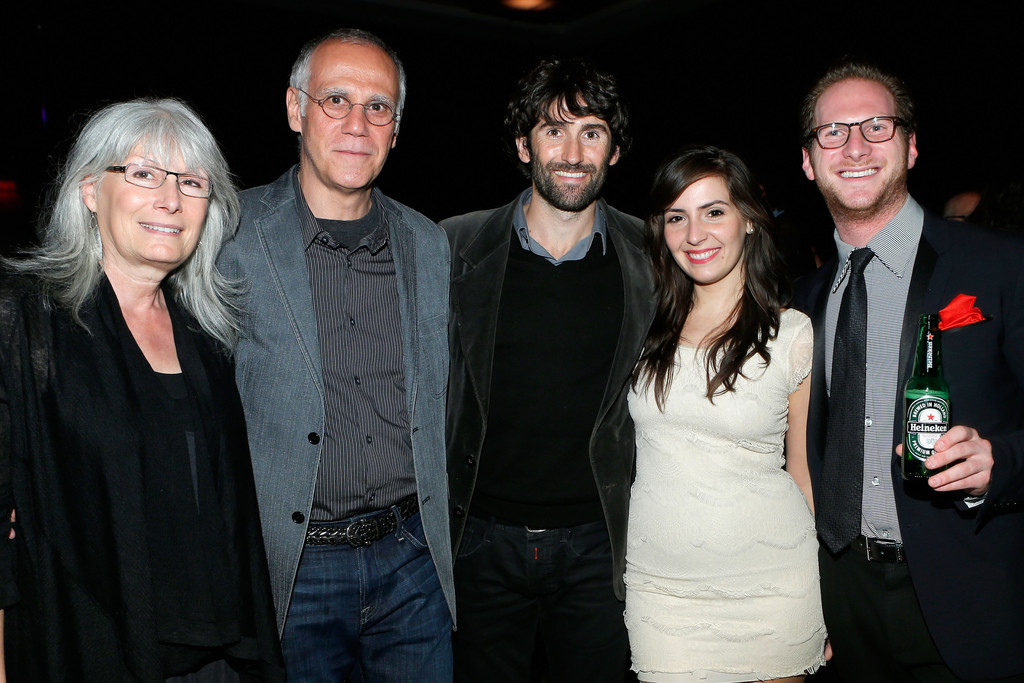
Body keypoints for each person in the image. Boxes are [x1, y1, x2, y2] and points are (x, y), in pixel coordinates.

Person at [0, 98, 284, 681]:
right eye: (143, 174)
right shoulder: (25, 321)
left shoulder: (210, 334)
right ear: (88, 191)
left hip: (218, 655)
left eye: (192, 181)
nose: (170, 199)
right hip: (86, 649)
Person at [217, 28, 455, 681]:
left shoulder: (428, 244)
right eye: (336, 100)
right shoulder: (229, 238)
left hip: (412, 560)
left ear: (397, 128)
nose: (358, 122)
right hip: (294, 569)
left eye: (378, 107)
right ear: (295, 109)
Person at [795, 60, 1024, 681]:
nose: (857, 146)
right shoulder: (799, 303)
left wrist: (1000, 461)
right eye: (833, 132)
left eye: (877, 126)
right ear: (809, 161)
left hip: (970, 593)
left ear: (912, 146)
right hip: (840, 603)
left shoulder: (1002, 265)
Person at [443, 57, 655, 682]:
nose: (572, 151)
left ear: (614, 151)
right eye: (553, 130)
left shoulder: (652, 256)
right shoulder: (454, 247)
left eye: (591, 132)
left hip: (601, 545)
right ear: (522, 144)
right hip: (479, 544)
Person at [625, 145, 826, 683]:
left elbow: (804, 478)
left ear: (749, 222)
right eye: (676, 217)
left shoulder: (792, 335)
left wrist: (832, 598)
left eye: (714, 211)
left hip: (774, 587)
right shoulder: (641, 331)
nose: (695, 234)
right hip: (661, 593)